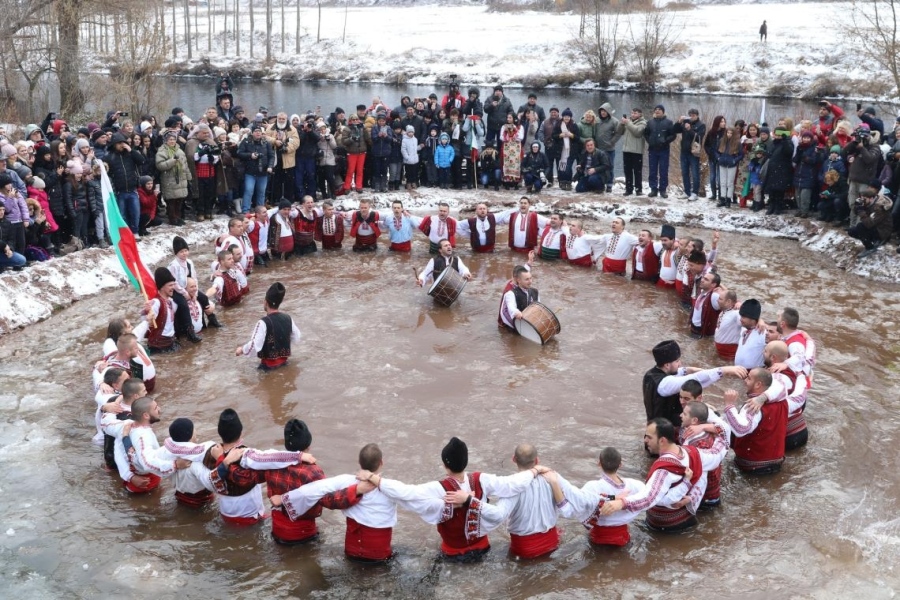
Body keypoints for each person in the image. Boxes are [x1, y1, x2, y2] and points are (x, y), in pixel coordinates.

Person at [361, 437, 550, 562]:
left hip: (452, 555)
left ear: (444, 465)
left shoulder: (438, 488)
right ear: (466, 461)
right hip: (483, 550)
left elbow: (406, 493)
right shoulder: (482, 479)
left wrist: (374, 478)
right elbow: (513, 484)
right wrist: (534, 470)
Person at [600, 418, 727, 532]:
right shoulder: (691, 452)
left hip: (665, 528)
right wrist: (719, 433)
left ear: (662, 440)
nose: (645, 440)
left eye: (649, 437)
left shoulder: (663, 471)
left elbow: (649, 497)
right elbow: (716, 454)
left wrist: (621, 503)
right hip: (684, 522)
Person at [271, 444, 390, 562]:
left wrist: (283, 498)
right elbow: (325, 500)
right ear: (381, 462)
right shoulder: (391, 487)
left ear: (359, 462)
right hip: (378, 554)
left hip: (279, 531)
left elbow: (314, 491)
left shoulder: (270, 464)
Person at [205, 409, 317, 525]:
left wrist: (221, 459)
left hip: (225, 513)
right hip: (249, 515)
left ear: (219, 432)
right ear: (241, 431)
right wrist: (297, 456)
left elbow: (207, 476)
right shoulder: (245, 455)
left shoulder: (211, 452)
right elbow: (269, 458)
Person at [544, 448, 648, 547]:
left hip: (598, 538)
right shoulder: (635, 485)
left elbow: (579, 502)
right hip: (622, 538)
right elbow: (648, 497)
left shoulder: (593, 487)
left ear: (599, 463)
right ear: (620, 464)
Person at [643, 340, 747, 430]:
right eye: (677, 361)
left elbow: (679, 371)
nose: (680, 364)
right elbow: (695, 379)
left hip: (655, 429)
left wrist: (690, 370)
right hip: (665, 436)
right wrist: (724, 370)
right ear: (666, 365)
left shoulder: (651, 374)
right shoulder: (665, 384)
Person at [492, 444, 563, 559]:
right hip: (552, 544)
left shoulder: (511, 486)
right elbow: (564, 508)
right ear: (537, 460)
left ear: (513, 459)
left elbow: (499, 515)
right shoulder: (551, 479)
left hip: (524, 550)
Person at [723, 368, 788, 475]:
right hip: (777, 461)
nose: (745, 381)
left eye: (748, 378)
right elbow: (782, 385)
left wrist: (729, 405)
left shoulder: (752, 406)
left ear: (758, 385)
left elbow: (741, 429)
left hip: (752, 466)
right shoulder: (782, 399)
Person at [235, 282, 301, 371]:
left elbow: (254, 346)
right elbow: (297, 337)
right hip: (285, 365)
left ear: (265, 302)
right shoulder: (288, 318)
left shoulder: (262, 323)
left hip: (268, 368)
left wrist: (242, 349)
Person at [678, 400, 730, 508]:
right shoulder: (701, 430)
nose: (680, 415)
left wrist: (692, 497)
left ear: (694, 420)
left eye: (684, 414)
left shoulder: (699, 443)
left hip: (706, 498)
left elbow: (701, 474)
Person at [155, 130, 192, 225]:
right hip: (169, 180)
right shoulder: (162, 151)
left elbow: (185, 164)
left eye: (174, 139)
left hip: (181, 179)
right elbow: (160, 165)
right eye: (170, 139)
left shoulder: (180, 150)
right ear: (166, 140)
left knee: (180, 201)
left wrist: (188, 176)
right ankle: (173, 219)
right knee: (171, 201)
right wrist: (172, 161)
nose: (172, 141)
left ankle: (178, 217)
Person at [237, 124, 275, 212]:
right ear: (252, 133)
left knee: (261, 192)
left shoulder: (266, 143)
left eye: (259, 132)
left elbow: (271, 156)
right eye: (256, 131)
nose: (258, 133)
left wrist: (270, 166)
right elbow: (239, 153)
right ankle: (246, 210)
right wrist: (250, 155)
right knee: (248, 191)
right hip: (250, 172)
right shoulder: (246, 141)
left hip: (263, 172)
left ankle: (260, 210)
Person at [849, 184, 892, 258]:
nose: (863, 201)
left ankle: (870, 247)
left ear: (871, 198)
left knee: (860, 226)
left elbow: (869, 223)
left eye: (864, 199)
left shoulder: (879, 208)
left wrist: (861, 211)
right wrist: (857, 207)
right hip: (875, 226)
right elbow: (858, 211)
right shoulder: (869, 203)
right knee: (851, 231)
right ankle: (872, 240)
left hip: (882, 230)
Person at [145, 267, 180, 354]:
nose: (173, 288)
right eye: (170, 285)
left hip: (171, 342)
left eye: (173, 285)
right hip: (159, 346)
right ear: (162, 287)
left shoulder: (171, 302)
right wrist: (147, 312)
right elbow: (148, 323)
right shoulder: (156, 303)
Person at [266, 112, 300, 201]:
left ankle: (289, 199)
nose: (281, 120)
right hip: (275, 157)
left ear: (286, 119)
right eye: (279, 119)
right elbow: (265, 137)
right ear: (277, 118)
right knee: (276, 180)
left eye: (283, 119)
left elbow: (296, 142)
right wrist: (274, 141)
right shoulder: (271, 127)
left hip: (288, 158)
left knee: (289, 181)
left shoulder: (292, 129)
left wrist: (287, 149)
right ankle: (275, 199)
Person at [673, 109, 706, 201]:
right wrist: (679, 122)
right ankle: (687, 192)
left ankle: (695, 193)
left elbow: (699, 137)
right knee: (685, 172)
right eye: (690, 115)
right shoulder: (685, 123)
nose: (691, 117)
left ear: (697, 115)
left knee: (695, 173)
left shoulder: (701, 125)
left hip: (694, 152)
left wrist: (690, 129)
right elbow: (674, 130)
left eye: (693, 115)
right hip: (684, 151)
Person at [644, 105, 676, 199]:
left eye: (659, 110)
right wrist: (649, 141)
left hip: (664, 150)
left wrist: (665, 140)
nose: (657, 111)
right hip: (652, 150)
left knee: (663, 170)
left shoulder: (668, 122)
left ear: (663, 111)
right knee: (652, 170)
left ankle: (663, 190)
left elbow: (673, 135)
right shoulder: (650, 122)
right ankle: (653, 189)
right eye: (656, 109)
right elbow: (646, 133)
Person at [499, 264, 538, 332]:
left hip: (523, 317)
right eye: (527, 279)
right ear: (518, 280)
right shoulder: (510, 292)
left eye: (530, 278)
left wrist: (529, 263)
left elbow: (524, 274)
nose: (530, 281)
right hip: (509, 320)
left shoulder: (534, 291)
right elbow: (511, 307)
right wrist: (516, 312)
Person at [734, 299, 767, 369]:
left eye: (743, 317)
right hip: (737, 372)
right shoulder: (744, 328)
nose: (740, 319)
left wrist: (761, 321)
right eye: (741, 316)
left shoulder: (762, 333)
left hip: (753, 375)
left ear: (753, 318)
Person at [690, 271, 723, 338]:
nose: (702, 280)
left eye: (706, 279)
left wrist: (737, 303)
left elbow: (728, 303)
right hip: (694, 328)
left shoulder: (714, 296)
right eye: (703, 278)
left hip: (703, 333)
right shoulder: (702, 291)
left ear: (713, 285)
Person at [713, 290, 740, 361]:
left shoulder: (736, 314)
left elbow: (750, 318)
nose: (717, 300)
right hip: (719, 351)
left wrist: (760, 321)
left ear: (728, 302)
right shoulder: (723, 311)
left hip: (729, 354)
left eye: (720, 299)